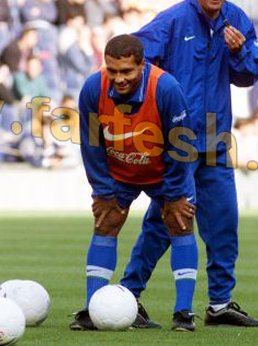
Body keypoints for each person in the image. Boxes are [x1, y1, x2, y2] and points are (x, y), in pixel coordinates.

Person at [120, 0, 258, 328]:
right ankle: (127, 297)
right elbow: (131, 62)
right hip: (177, 142)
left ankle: (220, 304)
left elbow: (250, 75)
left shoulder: (237, 20)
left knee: (224, 223)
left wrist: (240, 51)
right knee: (163, 222)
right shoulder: (171, 21)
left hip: (216, 141)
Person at [71, 34, 198, 331]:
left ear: (142, 65)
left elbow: (180, 146)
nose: (119, 79)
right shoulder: (93, 88)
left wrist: (175, 194)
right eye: (112, 70)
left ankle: (183, 313)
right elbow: (91, 144)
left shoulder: (166, 88)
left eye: (126, 71)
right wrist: (103, 191)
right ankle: (94, 309)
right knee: (105, 223)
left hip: (165, 171)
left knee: (180, 223)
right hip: (119, 172)